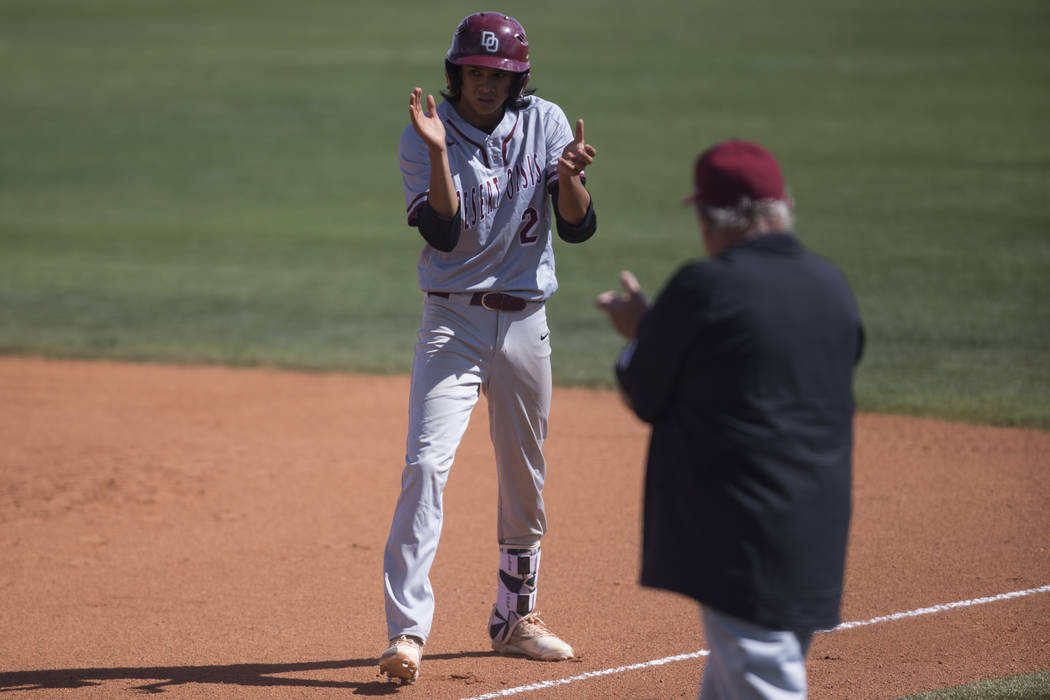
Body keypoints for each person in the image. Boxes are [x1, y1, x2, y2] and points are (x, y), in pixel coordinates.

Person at [595, 139, 864, 699]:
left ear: (711, 216)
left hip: (739, 532)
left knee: (763, 680)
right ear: (783, 203)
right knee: (732, 680)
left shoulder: (706, 287)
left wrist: (643, 331)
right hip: (818, 521)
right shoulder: (832, 286)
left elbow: (643, 391)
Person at [379, 11, 598, 686]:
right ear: (457, 73)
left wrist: (569, 178)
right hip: (454, 323)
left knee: (523, 474)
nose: (483, 85)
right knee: (426, 464)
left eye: (496, 74)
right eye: (474, 72)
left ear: (516, 78)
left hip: (527, 322)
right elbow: (443, 234)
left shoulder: (549, 122)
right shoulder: (424, 138)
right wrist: (442, 151)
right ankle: (407, 632)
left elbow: (580, 226)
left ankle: (515, 618)